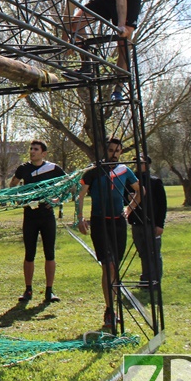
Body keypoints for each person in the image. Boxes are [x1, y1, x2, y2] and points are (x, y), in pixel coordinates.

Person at [52, 0, 142, 100]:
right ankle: (87, 66)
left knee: (124, 41)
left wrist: (121, 26)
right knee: (76, 23)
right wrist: (65, 40)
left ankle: (118, 89)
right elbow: (69, 10)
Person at [75, 137, 142, 332]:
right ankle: (110, 309)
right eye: (111, 150)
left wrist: (129, 209)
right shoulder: (94, 172)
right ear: (106, 150)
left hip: (118, 223)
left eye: (117, 150)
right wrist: (80, 218)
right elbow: (80, 196)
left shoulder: (125, 171)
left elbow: (140, 191)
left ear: (121, 152)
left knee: (116, 268)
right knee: (109, 265)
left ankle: (113, 307)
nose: (113, 153)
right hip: (99, 222)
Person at [10, 140, 67, 305]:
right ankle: (28, 290)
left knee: (50, 253)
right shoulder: (24, 168)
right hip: (30, 215)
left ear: (44, 153)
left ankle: (50, 291)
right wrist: (18, 198)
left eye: (36, 149)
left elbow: (68, 185)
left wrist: (57, 200)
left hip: (47, 215)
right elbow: (13, 184)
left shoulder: (53, 168)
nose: (32, 152)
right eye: (31, 149)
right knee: (29, 254)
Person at [131, 154, 167, 286]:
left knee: (153, 253)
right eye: (136, 163)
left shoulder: (155, 182)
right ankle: (145, 279)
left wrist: (159, 224)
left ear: (148, 164)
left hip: (151, 223)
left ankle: (155, 281)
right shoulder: (131, 181)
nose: (138, 166)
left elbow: (162, 204)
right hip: (136, 223)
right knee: (143, 253)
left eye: (141, 163)